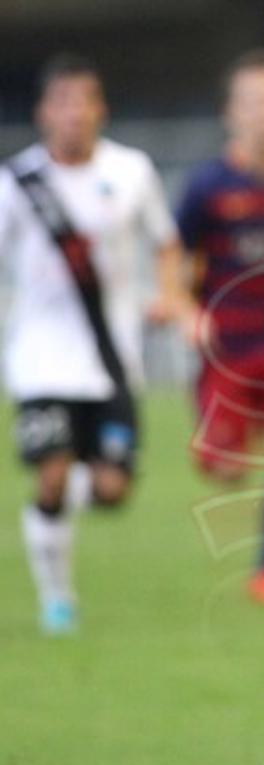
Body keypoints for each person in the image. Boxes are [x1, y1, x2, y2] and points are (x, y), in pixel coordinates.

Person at [0, 54, 181, 634]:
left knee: (111, 488)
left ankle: (62, 501)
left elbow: (165, 241)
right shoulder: (17, 183)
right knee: (51, 475)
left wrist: (169, 295)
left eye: (84, 102)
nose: (74, 114)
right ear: (44, 113)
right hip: (41, 360)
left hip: (111, 359)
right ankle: (57, 599)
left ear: (100, 109)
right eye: (62, 103)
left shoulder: (131, 172)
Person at [170, 49, 264, 604]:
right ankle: (216, 435)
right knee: (223, 468)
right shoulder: (207, 187)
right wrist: (189, 311)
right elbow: (176, 256)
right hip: (228, 348)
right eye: (252, 102)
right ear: (231, 113)